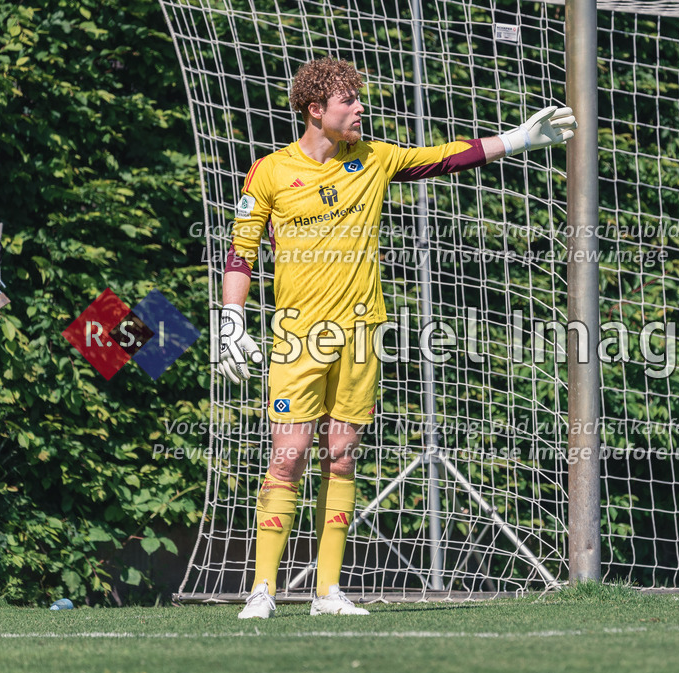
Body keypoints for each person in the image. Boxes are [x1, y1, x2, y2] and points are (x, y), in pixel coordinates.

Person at [216, 56, 576, 619]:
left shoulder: (374, 158)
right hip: (296, 341)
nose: (361, 108)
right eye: (348, 102)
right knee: (288, 459)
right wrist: (231, 318)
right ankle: (262, 589)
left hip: (361, 337)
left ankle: (327, 593)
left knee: (341, 456)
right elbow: (241, 250)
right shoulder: (268, 172)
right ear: (316, 110)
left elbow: (443, 159)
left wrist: (516, 138)